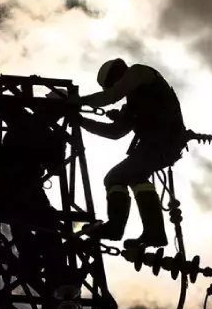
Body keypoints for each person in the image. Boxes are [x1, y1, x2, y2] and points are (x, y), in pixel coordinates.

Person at [78, 58, 188, 249]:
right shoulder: (135, 100)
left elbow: (111, 96)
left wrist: (76, 103)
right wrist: (82, 121)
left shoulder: (139, 72)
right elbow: (115, 132)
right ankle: (154, 233)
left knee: (115, 178)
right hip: (162, 145)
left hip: (162, 142)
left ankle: (116, 228)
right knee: (136, 178)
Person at [0, 91, 76, 294]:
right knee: (41, 223)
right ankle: (46, 269)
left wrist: (26, 101)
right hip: (15, 188)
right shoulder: (29, 122)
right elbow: (0, 103)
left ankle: (43, 268)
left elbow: (55, 166)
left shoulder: (31, 123)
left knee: (40, 224)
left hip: (15, 189)